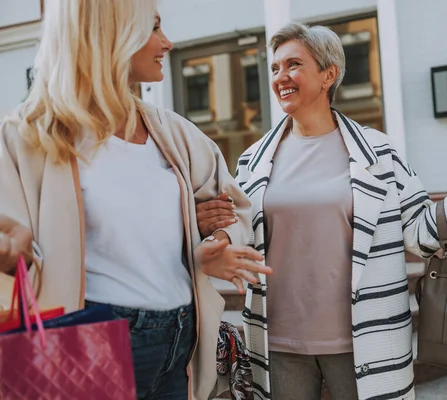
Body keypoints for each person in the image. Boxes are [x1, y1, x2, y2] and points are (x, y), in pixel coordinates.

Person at [195, 22, 447, 400]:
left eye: (293, 64)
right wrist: (210, 228)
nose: (281, 77)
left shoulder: (378, 154)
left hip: (366, 339)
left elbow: (426, 233)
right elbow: (236, 229)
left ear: (329, 74)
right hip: (279, 342)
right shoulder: (253, 161)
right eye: (276, 68)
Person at [0, 1, 271, 399]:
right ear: (111, 36)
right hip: (90, 339)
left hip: (183, 339)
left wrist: (218, 240)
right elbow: (12, 245)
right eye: (154, 27)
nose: (168, 42)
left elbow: (235, 207)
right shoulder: (29, 135)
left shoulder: (172, 132)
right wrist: (11, 251)